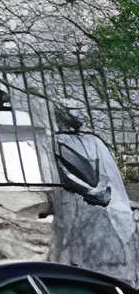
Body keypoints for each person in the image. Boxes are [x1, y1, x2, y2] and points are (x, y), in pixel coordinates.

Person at [49, 109, 139, 283]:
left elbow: (104, 179)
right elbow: (71, 176)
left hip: (106, 210)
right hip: (93, 213)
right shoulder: (63, 141)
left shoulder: (90, 142)